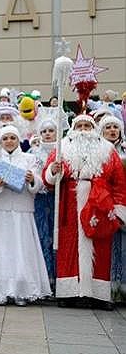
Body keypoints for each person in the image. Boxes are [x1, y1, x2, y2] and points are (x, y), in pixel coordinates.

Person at [43, 115, 126, 310]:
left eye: (87, 125)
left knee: (101, 249)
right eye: (79, 125)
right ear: (72, 128)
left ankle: (98, 294)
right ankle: (68, 293)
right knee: (68, 249)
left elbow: (119, 182)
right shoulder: (62, 147)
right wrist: (54, 171)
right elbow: (48, 180)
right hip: (69, 206)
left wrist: (119, 209)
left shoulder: (108, 150)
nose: (83, 129)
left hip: (100, 204)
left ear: (94, 128)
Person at [0, 125, 51, 306]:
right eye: (5, 138)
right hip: (0, 210)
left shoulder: (29, 158)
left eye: (12, 138)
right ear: (0, 141)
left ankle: (22, 291)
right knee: (0, 251)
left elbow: (40, 184)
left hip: (22, 211)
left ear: (18, 140)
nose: (9, 141)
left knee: (22, 251)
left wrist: (32, 180)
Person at [98, 115, 126, 303]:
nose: (112, 130)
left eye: (115, 127)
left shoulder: (124, 150)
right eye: (107, 127)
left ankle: (122, 288)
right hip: (103, 203)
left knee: (123, 247)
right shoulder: (98, 151)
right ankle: (107, 288)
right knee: (106, 247)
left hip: (123, 202)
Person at [30, 119, 59, 286]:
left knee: (56, 238)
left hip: (57, 199)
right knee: (42, 236)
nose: (47, 134)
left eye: (51, 130)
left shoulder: (62, 150)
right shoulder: (34, 152)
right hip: (40, 199)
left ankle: (58, 278)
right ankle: (44, 278)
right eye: (44, 131)